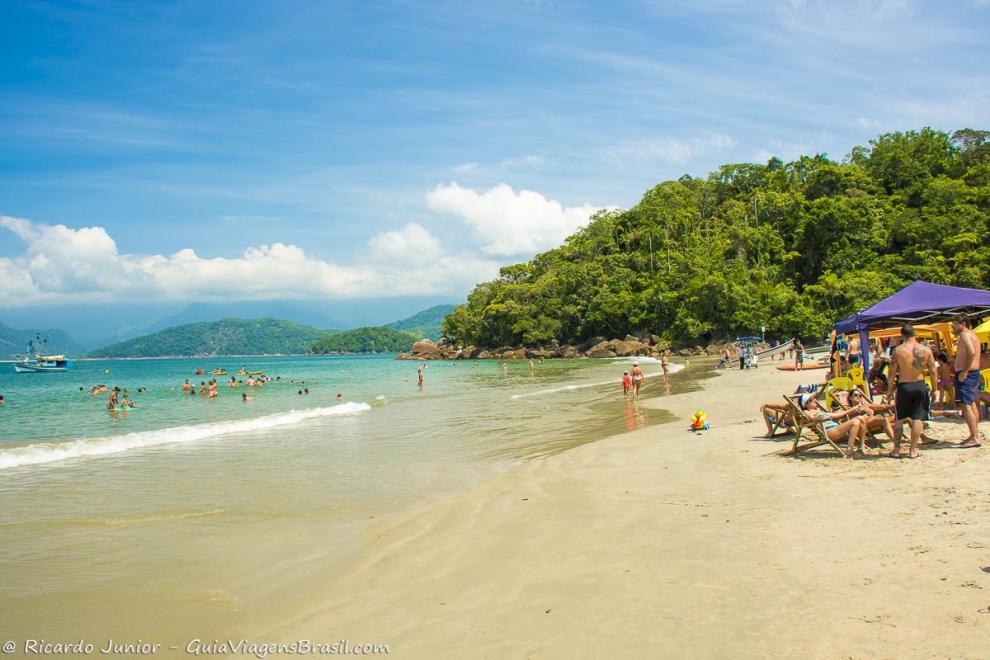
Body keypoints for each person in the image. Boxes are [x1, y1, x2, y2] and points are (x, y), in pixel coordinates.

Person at [887, 324, 939, 458]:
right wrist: (935, 389)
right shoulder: (926, 349)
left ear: (902, 336)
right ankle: (913, 450)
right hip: (920, 384)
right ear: (914, 334)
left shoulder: (897, 351)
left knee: (899, 418)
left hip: (904, 385)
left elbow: (892, 373)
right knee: (917, 418)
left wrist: (889, 390)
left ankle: (896, 450)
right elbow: (933, 371)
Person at [801, 393, 867, 458]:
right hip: (828, 432)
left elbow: (837, 415)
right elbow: (812, 417)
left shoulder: (820, 411)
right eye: (811, 400)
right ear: (806, 405)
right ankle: (850, 450)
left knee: (860, 419)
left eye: (813, 399)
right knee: (856, 421)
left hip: (836, 429)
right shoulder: (807, 412)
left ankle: (861, 447)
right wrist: (816, 417)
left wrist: (853, 409)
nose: (814, 401)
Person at [952, 314, 982, 448]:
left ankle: (975, 437)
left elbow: (971, 352)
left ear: (962, 324)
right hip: (971, 373)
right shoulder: (971, 334)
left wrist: (964, 371)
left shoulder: (965, 335)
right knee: (971, 404)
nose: (953, 326)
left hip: (967, 374)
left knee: (967, 405)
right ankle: (974, 434)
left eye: (954, 323)